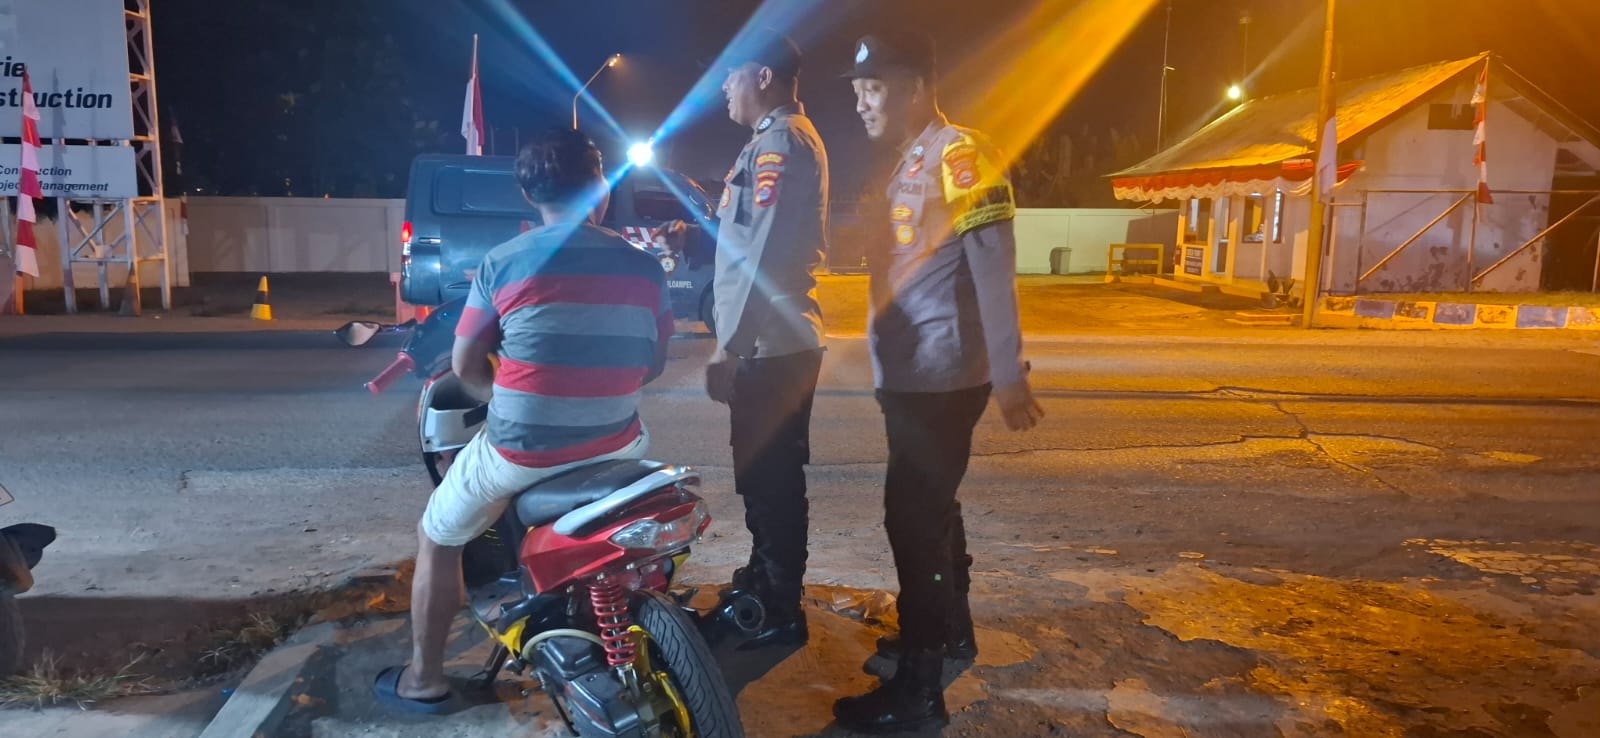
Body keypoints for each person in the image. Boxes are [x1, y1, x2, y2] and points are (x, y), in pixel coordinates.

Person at [373, 128, 674, 712]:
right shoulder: (645, 267)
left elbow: (465, 365)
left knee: (437, 535)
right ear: (601, 189)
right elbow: (653, 364)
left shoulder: (503, 262)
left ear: (530, 195)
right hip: (619, 444)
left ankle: (424, 680)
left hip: (521, 452)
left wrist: (502, 392)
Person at [833, 30, 1044, 733]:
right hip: (912, 378)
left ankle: (920, 689)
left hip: (942, 379)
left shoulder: (962, 155)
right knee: (933, 511)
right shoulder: (907, 163)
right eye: (858, 90)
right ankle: (949, 632)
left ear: (917, 89)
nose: (862, 102)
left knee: (913, 522)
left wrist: (1009, 372)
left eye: (874, 88)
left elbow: (993, 266)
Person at [666, 29, 829, 649]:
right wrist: (698, 237)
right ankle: (763, 584)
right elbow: (750, 235)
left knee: (773, 481)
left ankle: (778, 608)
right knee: (762, 477)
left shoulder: (780, 144)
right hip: (770, 343)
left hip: (771, 347)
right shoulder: (769, 142)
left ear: (763, 76)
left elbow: (764, 253)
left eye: (731, 76)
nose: (724, 89)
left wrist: (728, 348)